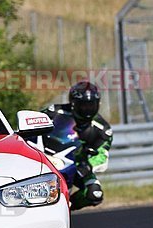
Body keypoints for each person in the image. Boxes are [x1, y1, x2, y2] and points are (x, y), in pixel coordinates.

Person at [43, 81, 112, 209]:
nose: (87, 109)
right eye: (83, 105)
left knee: (95, 193)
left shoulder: (102, 129)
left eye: (91, 105)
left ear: (98, 104)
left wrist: (90, 164)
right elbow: (34, 125)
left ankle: (68, 207)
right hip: (49, 154)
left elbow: (102, 154)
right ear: (73, 103)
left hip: (80, 164)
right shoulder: (55, 111)